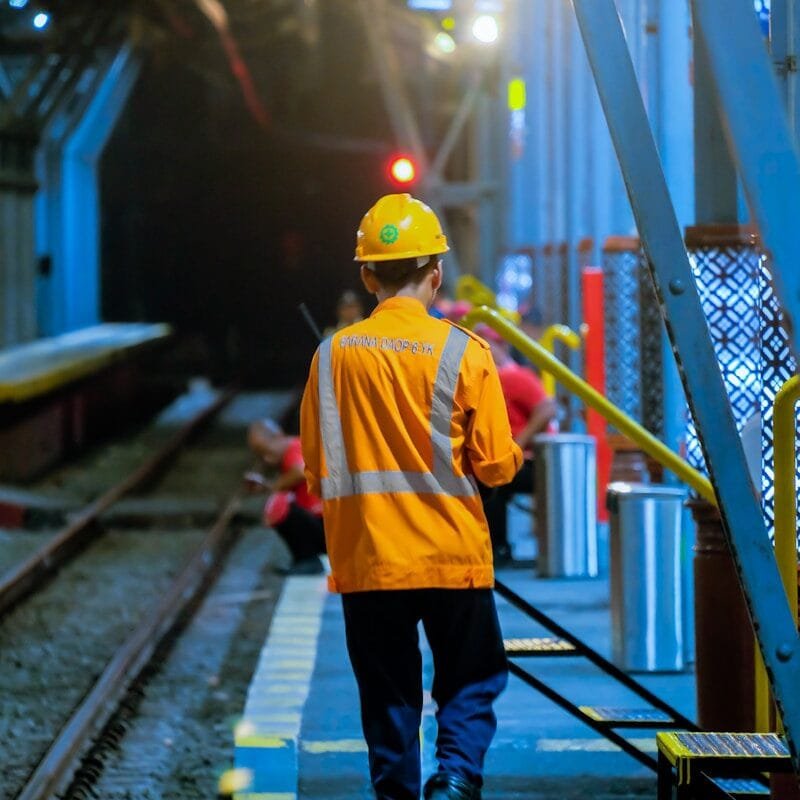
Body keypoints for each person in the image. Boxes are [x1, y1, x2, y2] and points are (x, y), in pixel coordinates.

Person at [300, 193, 522, 800]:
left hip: (369, 558)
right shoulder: (464, 352)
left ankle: (396, 791)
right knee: (471, 679)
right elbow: (498, 468)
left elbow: (318, 472)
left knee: (389, 692)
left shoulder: (331, 357)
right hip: (452, 558)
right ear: (437, 273)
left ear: (368, 275)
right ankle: (453, 778)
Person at [477, 324, 557, 564]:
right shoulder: (488, 378)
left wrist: (518, 444)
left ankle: (497, 548)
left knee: (491, 476)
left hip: (534, 461)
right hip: (518, 457)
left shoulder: (513, 377)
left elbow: (547, 408)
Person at [246, 419, 326, 574]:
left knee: (278, 505)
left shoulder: (294, 448)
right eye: (261, 455)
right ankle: (304, 558)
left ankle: (308, 559)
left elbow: (301, 471)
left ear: (278, 436)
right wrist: (266, 486)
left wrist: (274, 487)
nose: (267, 459)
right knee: (280, 502)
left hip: (325, 522)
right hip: (320, 522)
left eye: (267, 451)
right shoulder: (291, 450)